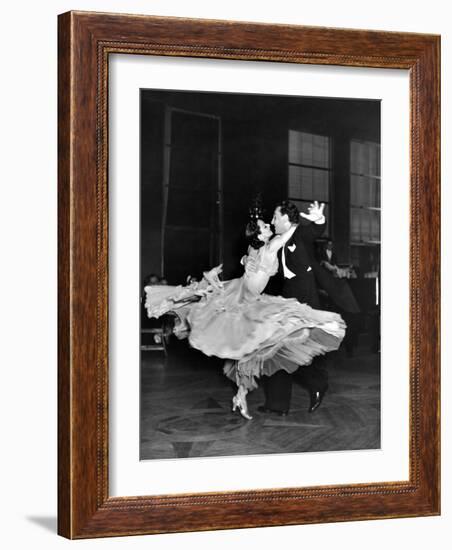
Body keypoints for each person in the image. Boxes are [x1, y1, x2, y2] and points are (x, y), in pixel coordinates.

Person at [145, 217, 345, 420]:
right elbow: (289, 231)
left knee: (250, 351)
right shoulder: (270, 247)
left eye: (269, 223)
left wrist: (246, 260)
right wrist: (301, 219)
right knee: (256, 344)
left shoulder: (255, 247)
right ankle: (245, 395)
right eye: (265, 226)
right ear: (259, 234)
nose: (269, 226)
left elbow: (248, 257)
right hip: (245, 300)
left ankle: (241, 396)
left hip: (245, 296)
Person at [256, 200, 333, 416]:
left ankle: (318, 384)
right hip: (286, 303)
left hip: (304, 306)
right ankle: (278, 404)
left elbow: (315, 231)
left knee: (295, 353)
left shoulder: (300, 235)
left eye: (274, 217)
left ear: (286, 219)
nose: (272, 221)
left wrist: (319, 219)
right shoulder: (277, 241)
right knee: (276, 352)